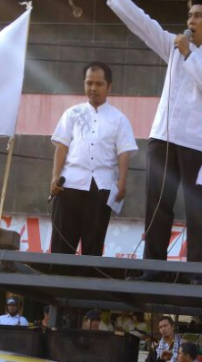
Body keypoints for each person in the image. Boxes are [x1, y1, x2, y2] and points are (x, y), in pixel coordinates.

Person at [107, 0, 202, 281]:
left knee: (198, 211)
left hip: (197, 144)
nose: (190, 21)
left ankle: (199, 275)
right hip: (163, 138)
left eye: (198, 16)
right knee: (157, 206)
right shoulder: (174, 46)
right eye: (189, 15)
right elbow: (142, 23)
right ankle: (153, 271)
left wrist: (188, 54)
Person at [49, 61, 138, 259]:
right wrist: (55, 176)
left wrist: (122, 182)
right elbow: (61, 146)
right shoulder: (72, 114)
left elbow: (124, 152)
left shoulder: (119, 119)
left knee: (93, 246)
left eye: (99, 84)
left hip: (102, 187)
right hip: (69, 185)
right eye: (89, 83)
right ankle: (58, 279)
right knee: (61, 246)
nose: (93, 88)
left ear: (109, 86)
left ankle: (89, 279)